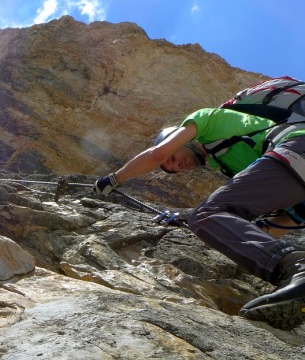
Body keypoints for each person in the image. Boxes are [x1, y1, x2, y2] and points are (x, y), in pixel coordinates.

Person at [93, 107, 305, 330]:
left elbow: (156, 155)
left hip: (297, 150)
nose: (176, 165)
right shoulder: (229, 159)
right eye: (172, 169)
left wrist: (112, 180)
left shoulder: (205, 120)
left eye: (173, 157)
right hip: (297, 184)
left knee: (206, 214)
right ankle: (293, 284)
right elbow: (268, 229)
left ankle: (298, 268)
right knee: (222, 220)